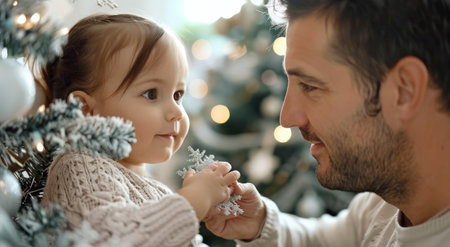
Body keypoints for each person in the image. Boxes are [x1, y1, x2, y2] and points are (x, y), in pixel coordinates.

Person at [204, 0, 450, 246]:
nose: (287, 118)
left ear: (404, 90)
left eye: (310, 86)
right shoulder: (380, 208)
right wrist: (259, 224)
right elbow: (320, 241)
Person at [38, 14, 240, 247]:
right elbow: (112, 239)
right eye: (151, 93)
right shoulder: (79, 165)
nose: (176, 112)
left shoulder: (151, 186)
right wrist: (193, 200)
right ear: (84, 110)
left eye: (178, 95)